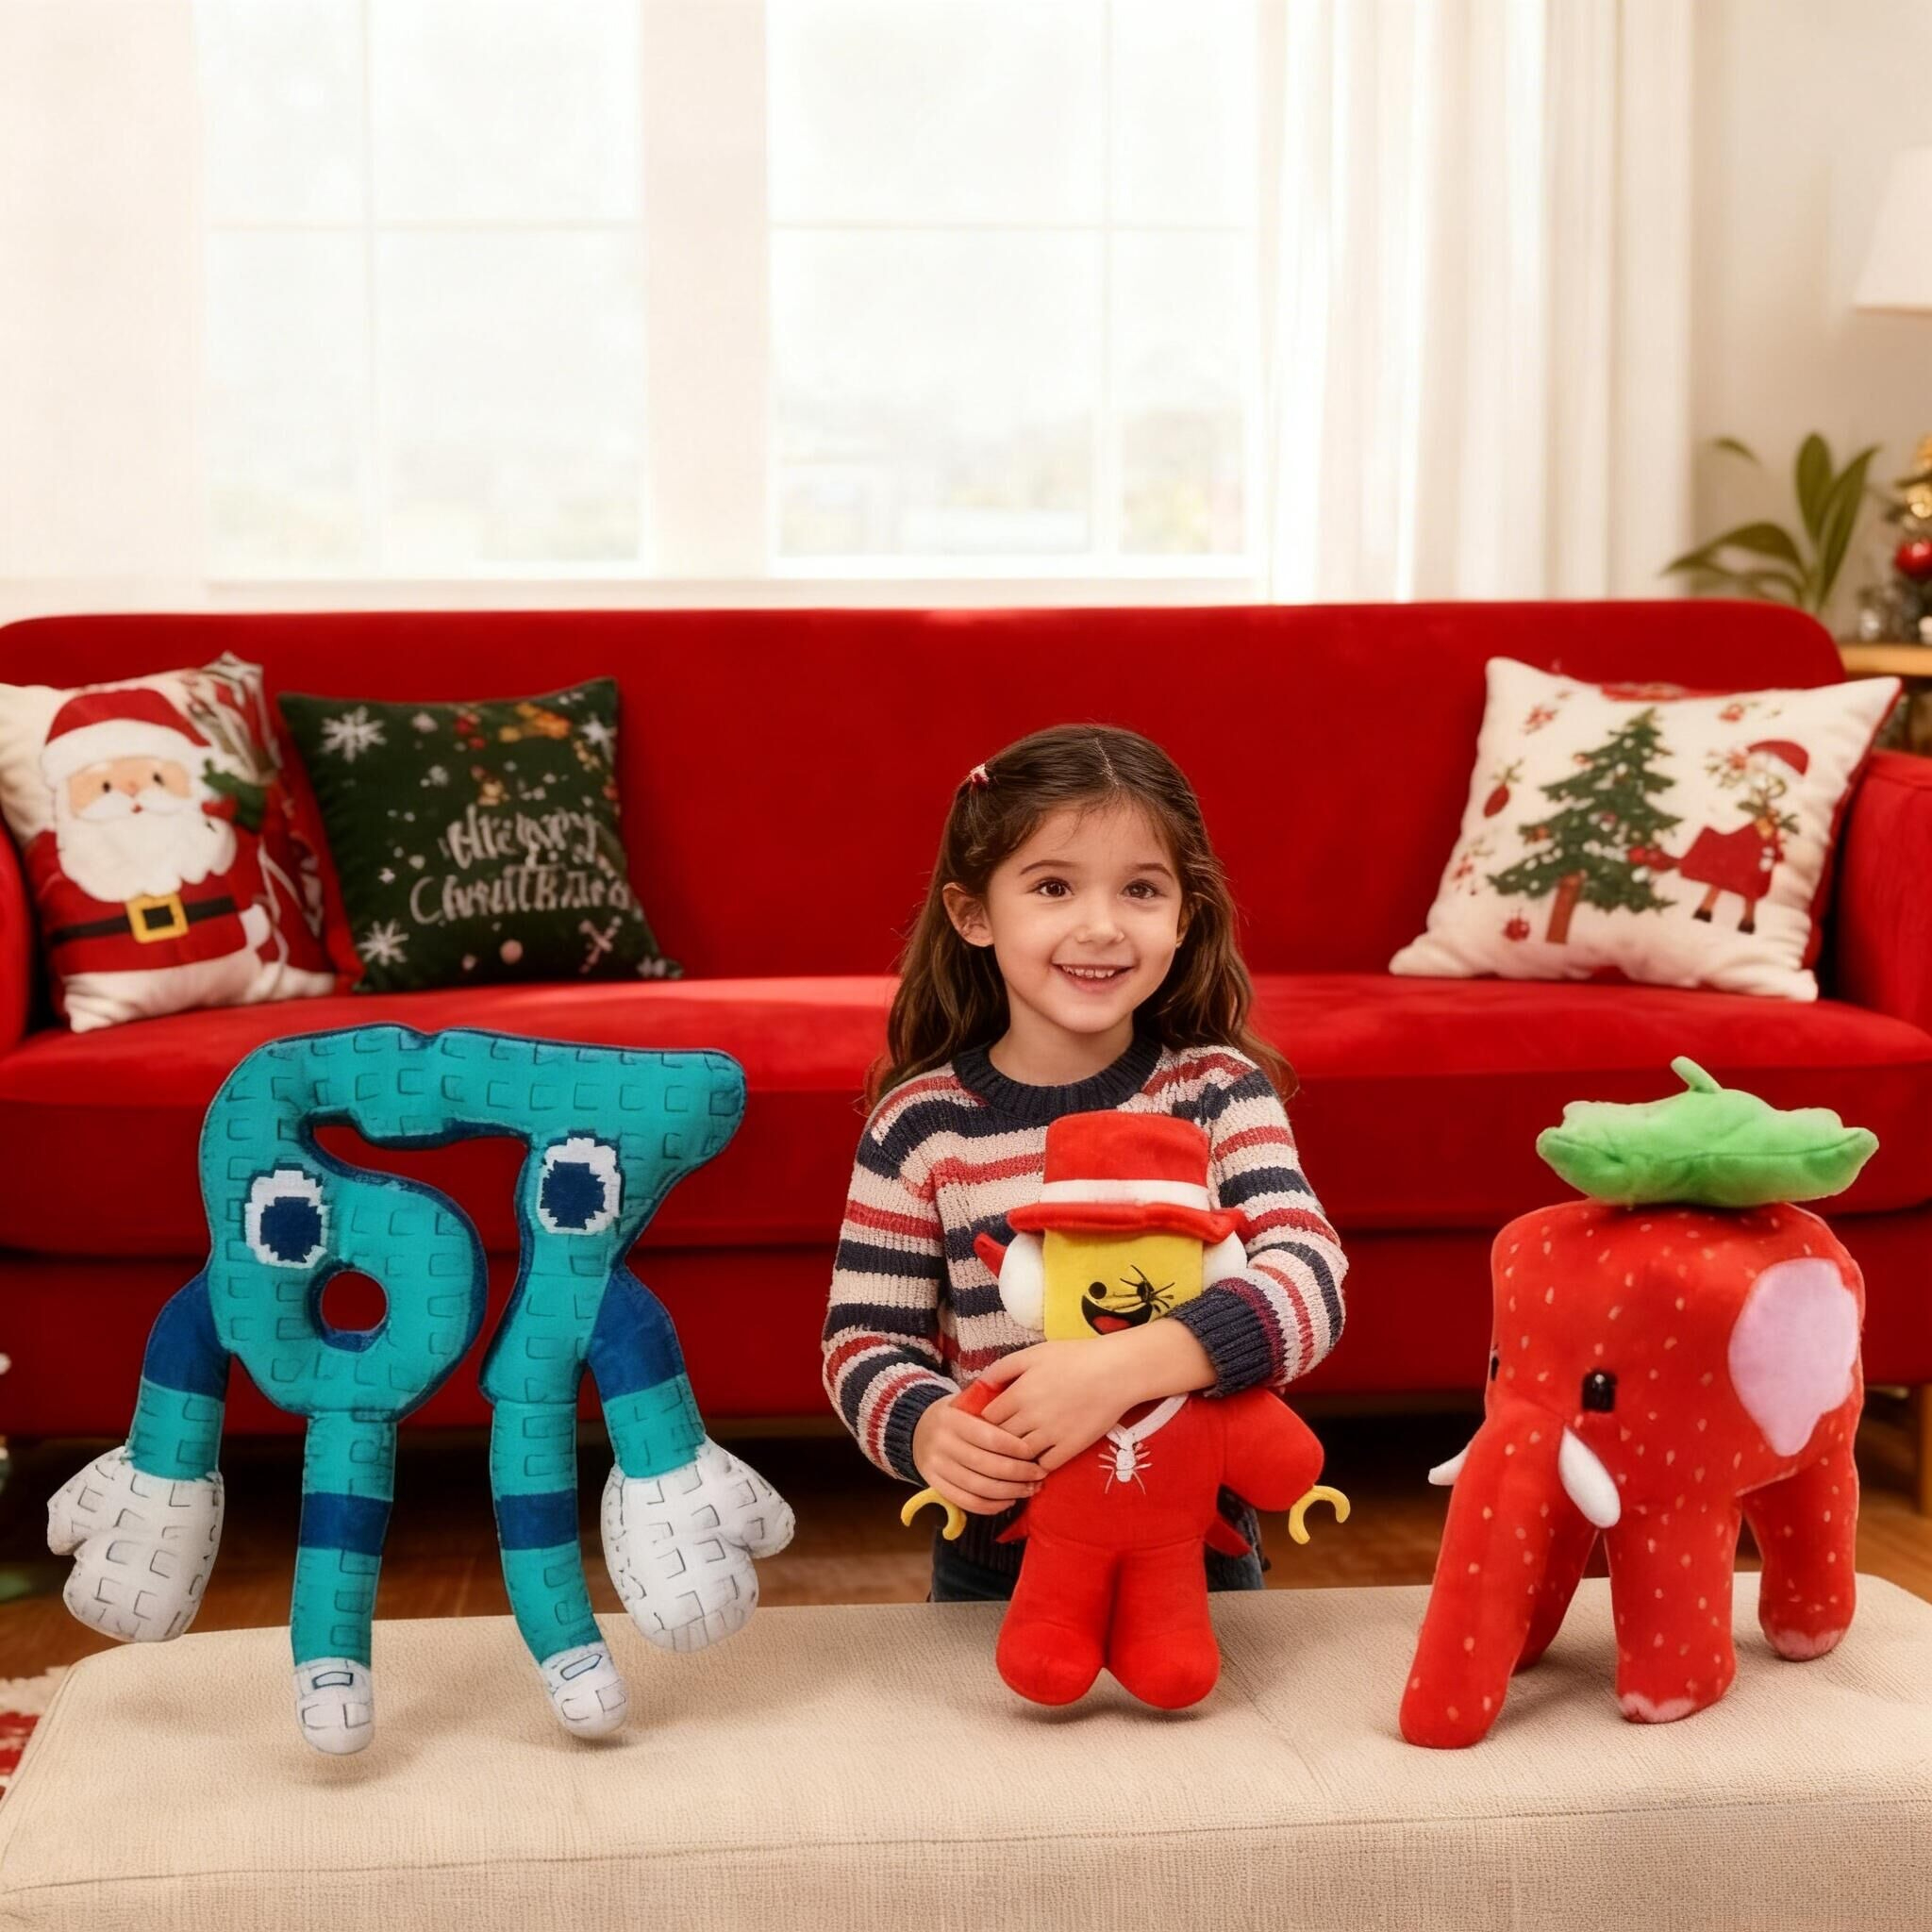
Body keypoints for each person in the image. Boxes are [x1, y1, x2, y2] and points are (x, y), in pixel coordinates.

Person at [821, 724, 1348, 1603]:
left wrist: (1120, 1370)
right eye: (1053, 887)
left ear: (1183, 915)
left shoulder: (1217, 1091)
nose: (1100, 927)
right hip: (994, 1562)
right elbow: (863, 1342)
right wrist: (925, 1428)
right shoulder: (920, 1127)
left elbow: (1311, 1278)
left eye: (1141, 889)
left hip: (1199, 1547)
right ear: (973, 915)